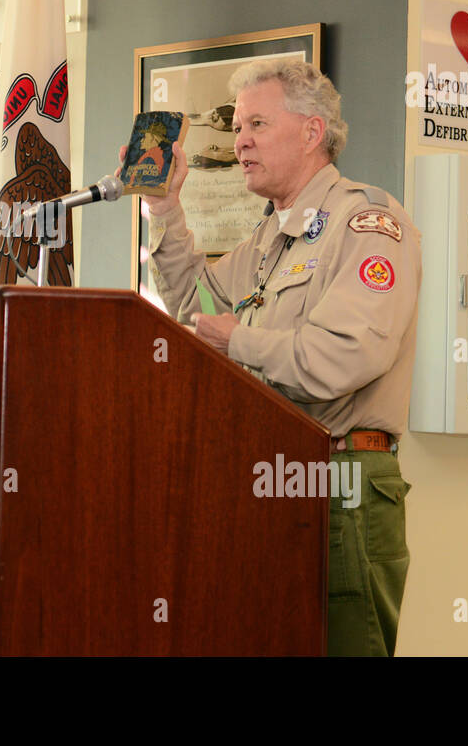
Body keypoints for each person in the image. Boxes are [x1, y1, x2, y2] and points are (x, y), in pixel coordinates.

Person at [125, 59, 421, 657]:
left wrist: (240, 341)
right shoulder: (273, 235)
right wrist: (164, 209)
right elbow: (193, 305)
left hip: (344, 484)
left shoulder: (366, 223)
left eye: (257, 124)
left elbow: (343, 357)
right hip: (270, 477)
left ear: (312, 132)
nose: (240, 143)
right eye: (236, 128)